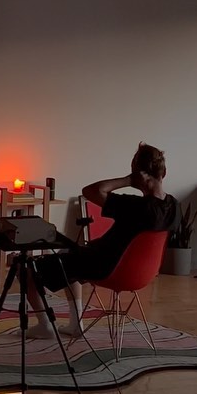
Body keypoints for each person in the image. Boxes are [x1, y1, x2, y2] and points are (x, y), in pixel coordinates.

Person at [26, 142, 179, 338]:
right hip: (142, 274)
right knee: (71, 254)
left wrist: (127, 180)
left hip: (105, 267)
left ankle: (45, 326)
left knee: (28, 270)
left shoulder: (135, 207)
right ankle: (75, 325)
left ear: (137, 176)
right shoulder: (175, 206)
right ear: (163, 173)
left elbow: (90, 191)